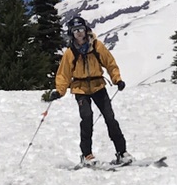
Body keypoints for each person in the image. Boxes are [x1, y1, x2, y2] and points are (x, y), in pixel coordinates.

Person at [45, 15, 129, 165]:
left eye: (81, 29)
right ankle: (87, 155)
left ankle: (122, 152)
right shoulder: (70, 53)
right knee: (87, 118)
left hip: (98, 86)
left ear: (86, 30)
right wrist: (59, 91)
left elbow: (110, 63)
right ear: (71, 33)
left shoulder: (97, 46)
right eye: (75, 30)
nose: (79, 33)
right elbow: (63, 74)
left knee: (110, 118)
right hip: (80, 89)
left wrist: (117, 79)